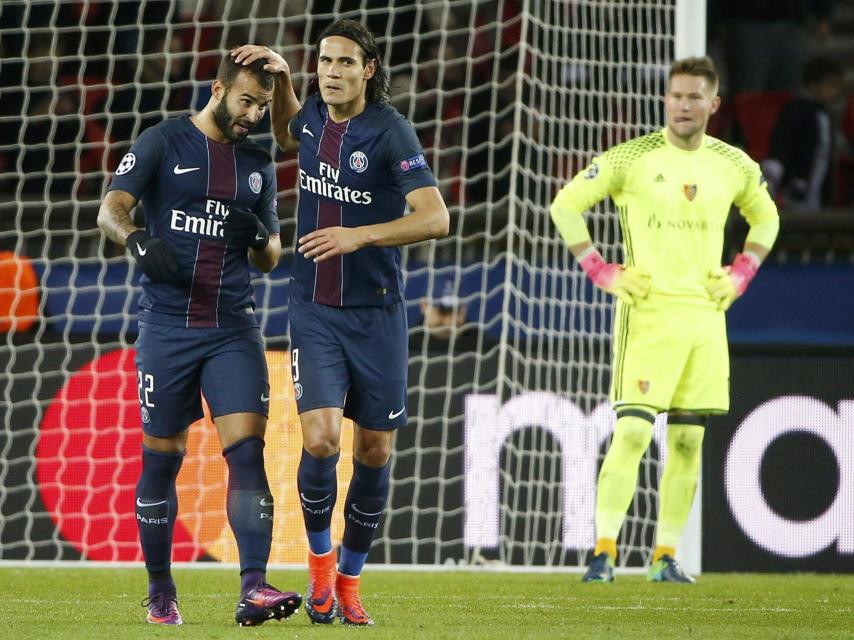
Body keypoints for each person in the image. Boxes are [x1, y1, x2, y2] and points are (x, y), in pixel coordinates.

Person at [232, 19, 450, 626]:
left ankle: (351, 579)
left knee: (375, 450)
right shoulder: (311, 121)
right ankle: (322, 568)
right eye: (324, 61)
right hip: (314, 309)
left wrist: (361, 235)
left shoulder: (389, 131)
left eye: (344, 63)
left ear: (367, 70)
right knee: (322, 438)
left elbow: (436, 218)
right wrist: (279, 79)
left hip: (378, 313)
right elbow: (285, 131)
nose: (332, 71)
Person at [549, 56, 779, 583]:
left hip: (704, 315)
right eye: (676, 95)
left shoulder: (734, 165)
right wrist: (600, 270)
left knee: (688, 441)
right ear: (666, 99)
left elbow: (767, 216)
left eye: (695, 97)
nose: (683, 104)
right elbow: (565, 205)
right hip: (648, 314)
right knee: (631, 433)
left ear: (713, 104)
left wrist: (742, 273)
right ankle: (603, 553)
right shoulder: (632, 157)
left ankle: (664, 556)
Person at [97, 54, 301, 627]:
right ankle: (161, 592)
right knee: (161, 463)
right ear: (218, 90)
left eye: (263, 106)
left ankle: (254, 588)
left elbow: (269, 258)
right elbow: (111, 209)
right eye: (246, 102)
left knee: (248, 454)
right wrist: (136, 239)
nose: (254, 115)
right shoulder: (162, 142)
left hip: (233, 329)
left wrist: (258, 235)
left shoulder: (258, 165)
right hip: (166, 330)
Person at [763, 57, 845, 210]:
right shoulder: (796, 110)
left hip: (817, 188)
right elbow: (782, 140)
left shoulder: (825, 116)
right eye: (830, 84)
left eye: (837, 86)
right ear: (813, 85)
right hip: (795, 185)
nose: (835, 91)